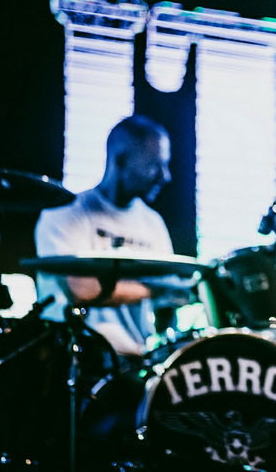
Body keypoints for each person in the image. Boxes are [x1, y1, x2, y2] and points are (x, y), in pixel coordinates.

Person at [34, 114, 186, 357]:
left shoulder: (153, 223)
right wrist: (155, 289)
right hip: (74, 358)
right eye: (154, 165)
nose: (165, 176)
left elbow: (166, 305)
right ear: (121, 161)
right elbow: (81, 290)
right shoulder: (65, 213)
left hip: (138, 361)